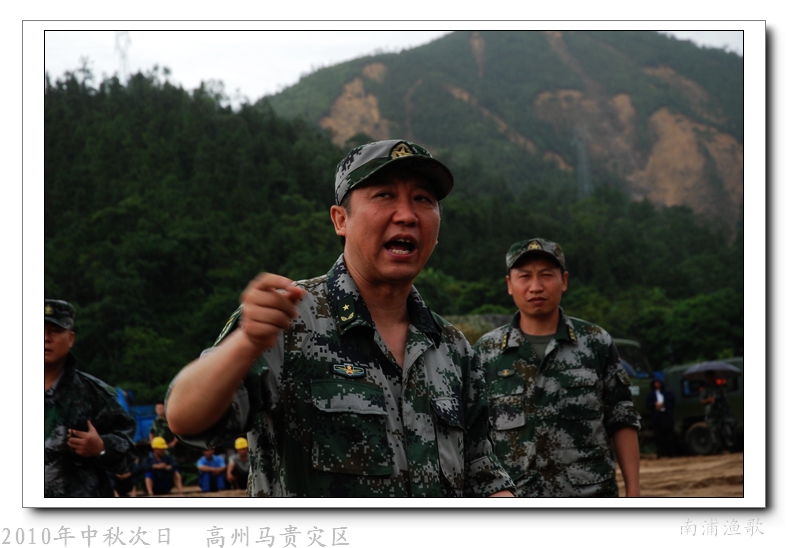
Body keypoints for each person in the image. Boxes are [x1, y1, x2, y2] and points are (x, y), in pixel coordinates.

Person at [166, 139, 514, 497]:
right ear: (341, 219)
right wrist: (245, 343)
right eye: (384, 195)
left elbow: (481, 472)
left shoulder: (453, 348)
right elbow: (186, 420)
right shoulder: (288, 320)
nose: (407, 215)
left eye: (423, 199)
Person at [473, 239, 641, 497]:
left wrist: (633, 493)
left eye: (546, 275)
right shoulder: (487, 352)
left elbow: (622, 419)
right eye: (525, 276)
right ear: (509, 284)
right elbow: (474, 436)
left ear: (563, 281)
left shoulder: (596, 342)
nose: (536, 286)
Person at [44, 299, 137, 497]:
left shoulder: (93, 393)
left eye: (55, 331)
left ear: (70, 339)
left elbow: (128, 453)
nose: (46, 338)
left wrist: (101, 447)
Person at [700, 371, 733, 452]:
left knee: (726, 429)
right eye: (709, 377)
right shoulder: (706, 389)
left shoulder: (720, 388)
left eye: (711, 376)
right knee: (714, 430)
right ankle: (718, 447)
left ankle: (729, 446)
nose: (710, 378)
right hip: (712, 413)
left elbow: (725, 399)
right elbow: (702, 401)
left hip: (722, 411)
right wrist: (709, 400)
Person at [645, 375, 676, 458]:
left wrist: (664, 404)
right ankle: (660, 453)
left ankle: (671, 453)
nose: (657, 384)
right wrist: (655, 406)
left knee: (669, 435)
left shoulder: (667, 392)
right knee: (658, 436)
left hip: (666, 415)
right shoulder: (651, 394)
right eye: (655, 383)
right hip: (657, 416)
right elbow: (648, 404)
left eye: (658, 383)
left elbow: (672, 402)